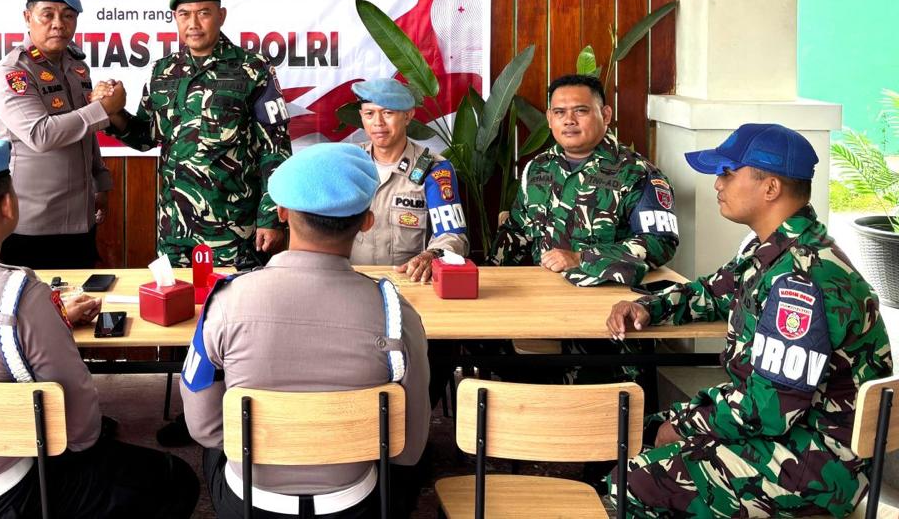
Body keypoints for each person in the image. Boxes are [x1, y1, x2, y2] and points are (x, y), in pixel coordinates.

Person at [0, 138, 199, 519]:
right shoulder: (20, 293)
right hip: (6, 490)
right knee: (174, 476)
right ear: (7, 204)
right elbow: (82, 428)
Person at [606, 123, 893, 518]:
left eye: (727, 173)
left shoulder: (801, 279)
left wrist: (680, 426)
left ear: (770, 188)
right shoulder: (777, 250)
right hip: (789, 436)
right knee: (634, 430)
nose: (717, 184)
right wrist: (647, 307)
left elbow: (767, 410)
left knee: (633, 480)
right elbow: (713, 292)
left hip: (814, 465)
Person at [181, 143, 430, 518]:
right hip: (354, 504)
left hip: (250, 502)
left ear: (281, 212)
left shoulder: (226, 303)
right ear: (367, 220)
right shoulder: (396, 314)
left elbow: (204, 428)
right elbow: (409, 448)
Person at [101, 0, 291, 269]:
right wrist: (113, 112)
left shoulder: (253, 69)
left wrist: (270, 219)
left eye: (203, 13)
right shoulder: (164, 71)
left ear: (221, 16)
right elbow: (145, 137)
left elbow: (275, 149)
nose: (193, 23)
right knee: (177, 308)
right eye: (184, 14)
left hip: (235, 230)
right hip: (175, 231)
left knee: (235, 309)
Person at [0, 0, 122, 269]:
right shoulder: (13, 74)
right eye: (48, 14)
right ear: (27, 17)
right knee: (33, 311)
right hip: (31, 226)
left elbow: (85, 132)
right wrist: (102, 109)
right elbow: (40, 135)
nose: (59, 23)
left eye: (68, 15)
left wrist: (101, 182)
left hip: (81, 220)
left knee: (81, 309)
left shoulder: (76, 67)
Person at [492, 73, 678, 286]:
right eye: (559, 112)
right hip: (542, 291)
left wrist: (582, 258)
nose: (569, 120)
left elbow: (660, 242)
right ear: (549, 119)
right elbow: (516, 231)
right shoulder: (538, 168)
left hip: (605, 293)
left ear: (605, 115)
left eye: (581, 111)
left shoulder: (638, 173)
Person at [348, 78, 470, 282]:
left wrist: (431, 256)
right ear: (361, 117)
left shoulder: (434, 170)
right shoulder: (349, 163)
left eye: (388, 113)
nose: (378, 123)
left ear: (408, 116)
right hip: (352, 283)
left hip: (408, 284)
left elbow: (453, 236)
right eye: (370, 114)